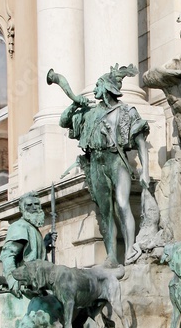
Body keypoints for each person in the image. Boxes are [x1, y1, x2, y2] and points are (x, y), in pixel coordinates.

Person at [57, 64, 150, 267]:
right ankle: (111, 256)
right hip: (96, 163)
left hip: (116, 159)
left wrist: (146, 172)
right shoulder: (89, 113)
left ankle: (130, 251)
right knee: (106, 211)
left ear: (107, 88)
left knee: (123, 203)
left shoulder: (126, 111)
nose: (95, 89)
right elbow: (63, 122)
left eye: (98, 85)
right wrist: (75, 104)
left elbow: (141, 140)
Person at [0, 192, 55, 297]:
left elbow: (30, 256)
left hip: (39, 283)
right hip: (25, 283)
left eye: (36, 204)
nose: (34, 207)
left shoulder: (33, 228)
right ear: (22, 209)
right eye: (29, 205)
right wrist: (12, 280)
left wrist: (45, 244)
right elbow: (8, 255)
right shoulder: (19, 227)